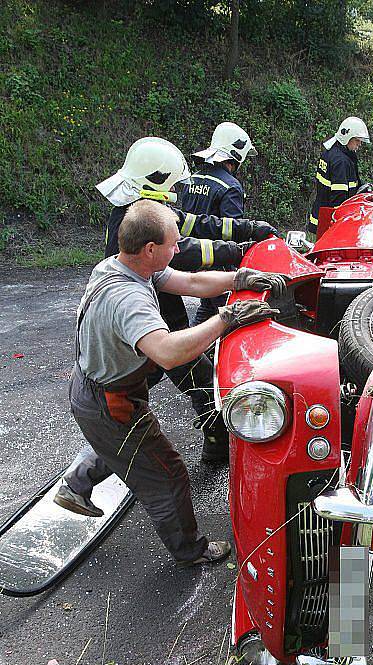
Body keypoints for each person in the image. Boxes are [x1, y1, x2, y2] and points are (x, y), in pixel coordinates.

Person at [53, 200, 285, 567]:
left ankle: (74, 485)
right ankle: (190, 551)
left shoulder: (125, 267)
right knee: (167, 473)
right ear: (149, 248)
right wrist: (227, 320)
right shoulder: (128, 298)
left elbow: (190, 281)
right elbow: (168, 352)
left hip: (96, 391)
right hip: (110, 403)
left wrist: (240, 278)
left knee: (125, 449)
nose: (178, 249)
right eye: (173, 244)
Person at [96, 136, 277, 462]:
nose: (172, 197)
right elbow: (186, 254)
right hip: (148, 324)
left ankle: (215, 445)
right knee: (197, 384)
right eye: (168, 190)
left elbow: (194, 226)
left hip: (156, 318)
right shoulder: (137, 225)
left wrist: (247, 230)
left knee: (146, 391)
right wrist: (239, 253)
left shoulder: (142, 209)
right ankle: (216, 447)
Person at [180, 122, 256, 325]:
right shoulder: (231, 186)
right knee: (230, 316)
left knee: (206, 307)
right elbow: (233, 230)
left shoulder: (193, 179)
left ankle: (196, 350)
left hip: (192, 256)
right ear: (236, 155)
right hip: (218, 262)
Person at [307, 117, 370, 240]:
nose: (359, 144)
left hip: (320, 216)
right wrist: (341, 224)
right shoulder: (341, 161)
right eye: (357, 140)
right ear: (347, 137)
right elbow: (339, 196)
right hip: (331, 222)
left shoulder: (330, 152)